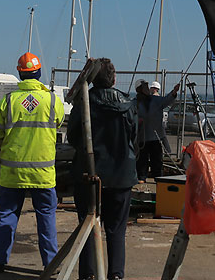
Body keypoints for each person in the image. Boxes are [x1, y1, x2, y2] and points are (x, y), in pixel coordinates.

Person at [0, 52, 65, 273]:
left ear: (20, 73)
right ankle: (51, 264)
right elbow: (57, 123)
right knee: (46, 218)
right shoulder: (52, 100)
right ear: (38, 73)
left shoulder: (9, 101)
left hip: (12, 173)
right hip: (43, 173)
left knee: (6, 216)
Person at [68, 58, 137, 280]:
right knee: (116, 230)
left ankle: (87, 275)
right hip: (121, 175)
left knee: (87, 226)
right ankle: (116, 275)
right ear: (114, 78)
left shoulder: (84, 103)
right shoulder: (128, 104)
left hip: (89, 172)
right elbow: (135, 139)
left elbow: (73, 137)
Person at [135, 78, 180, 182]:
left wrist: (174, 92)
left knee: (157, 159)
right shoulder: (135, 102)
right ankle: (141, 177)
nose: (148, 88)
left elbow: (166, 100)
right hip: (142, 137)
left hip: (155, 136)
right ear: (139, 89)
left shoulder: (155, 100)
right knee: (142, 159)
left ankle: (158, 177)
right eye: (145, 87)